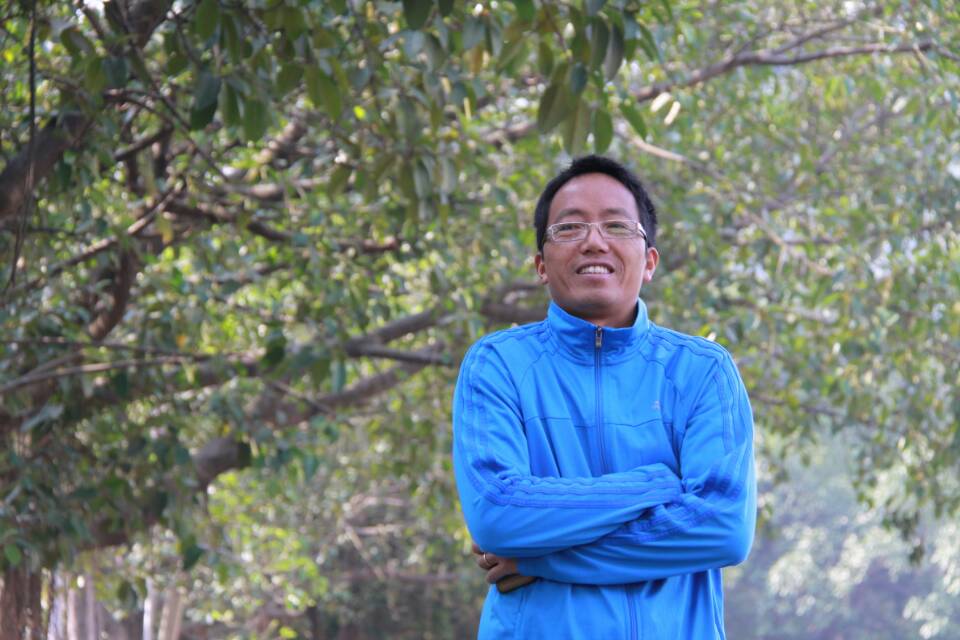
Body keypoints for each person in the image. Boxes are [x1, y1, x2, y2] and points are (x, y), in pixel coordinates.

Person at [452, 155, 756, 639]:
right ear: (541, 265)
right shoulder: (498, 365)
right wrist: (657, 483)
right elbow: (497, 515)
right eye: (569, 228)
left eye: (616, 225)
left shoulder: (701, 371)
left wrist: (538, 558)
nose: (594, 241)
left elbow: (723, 528)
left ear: (649, 261)